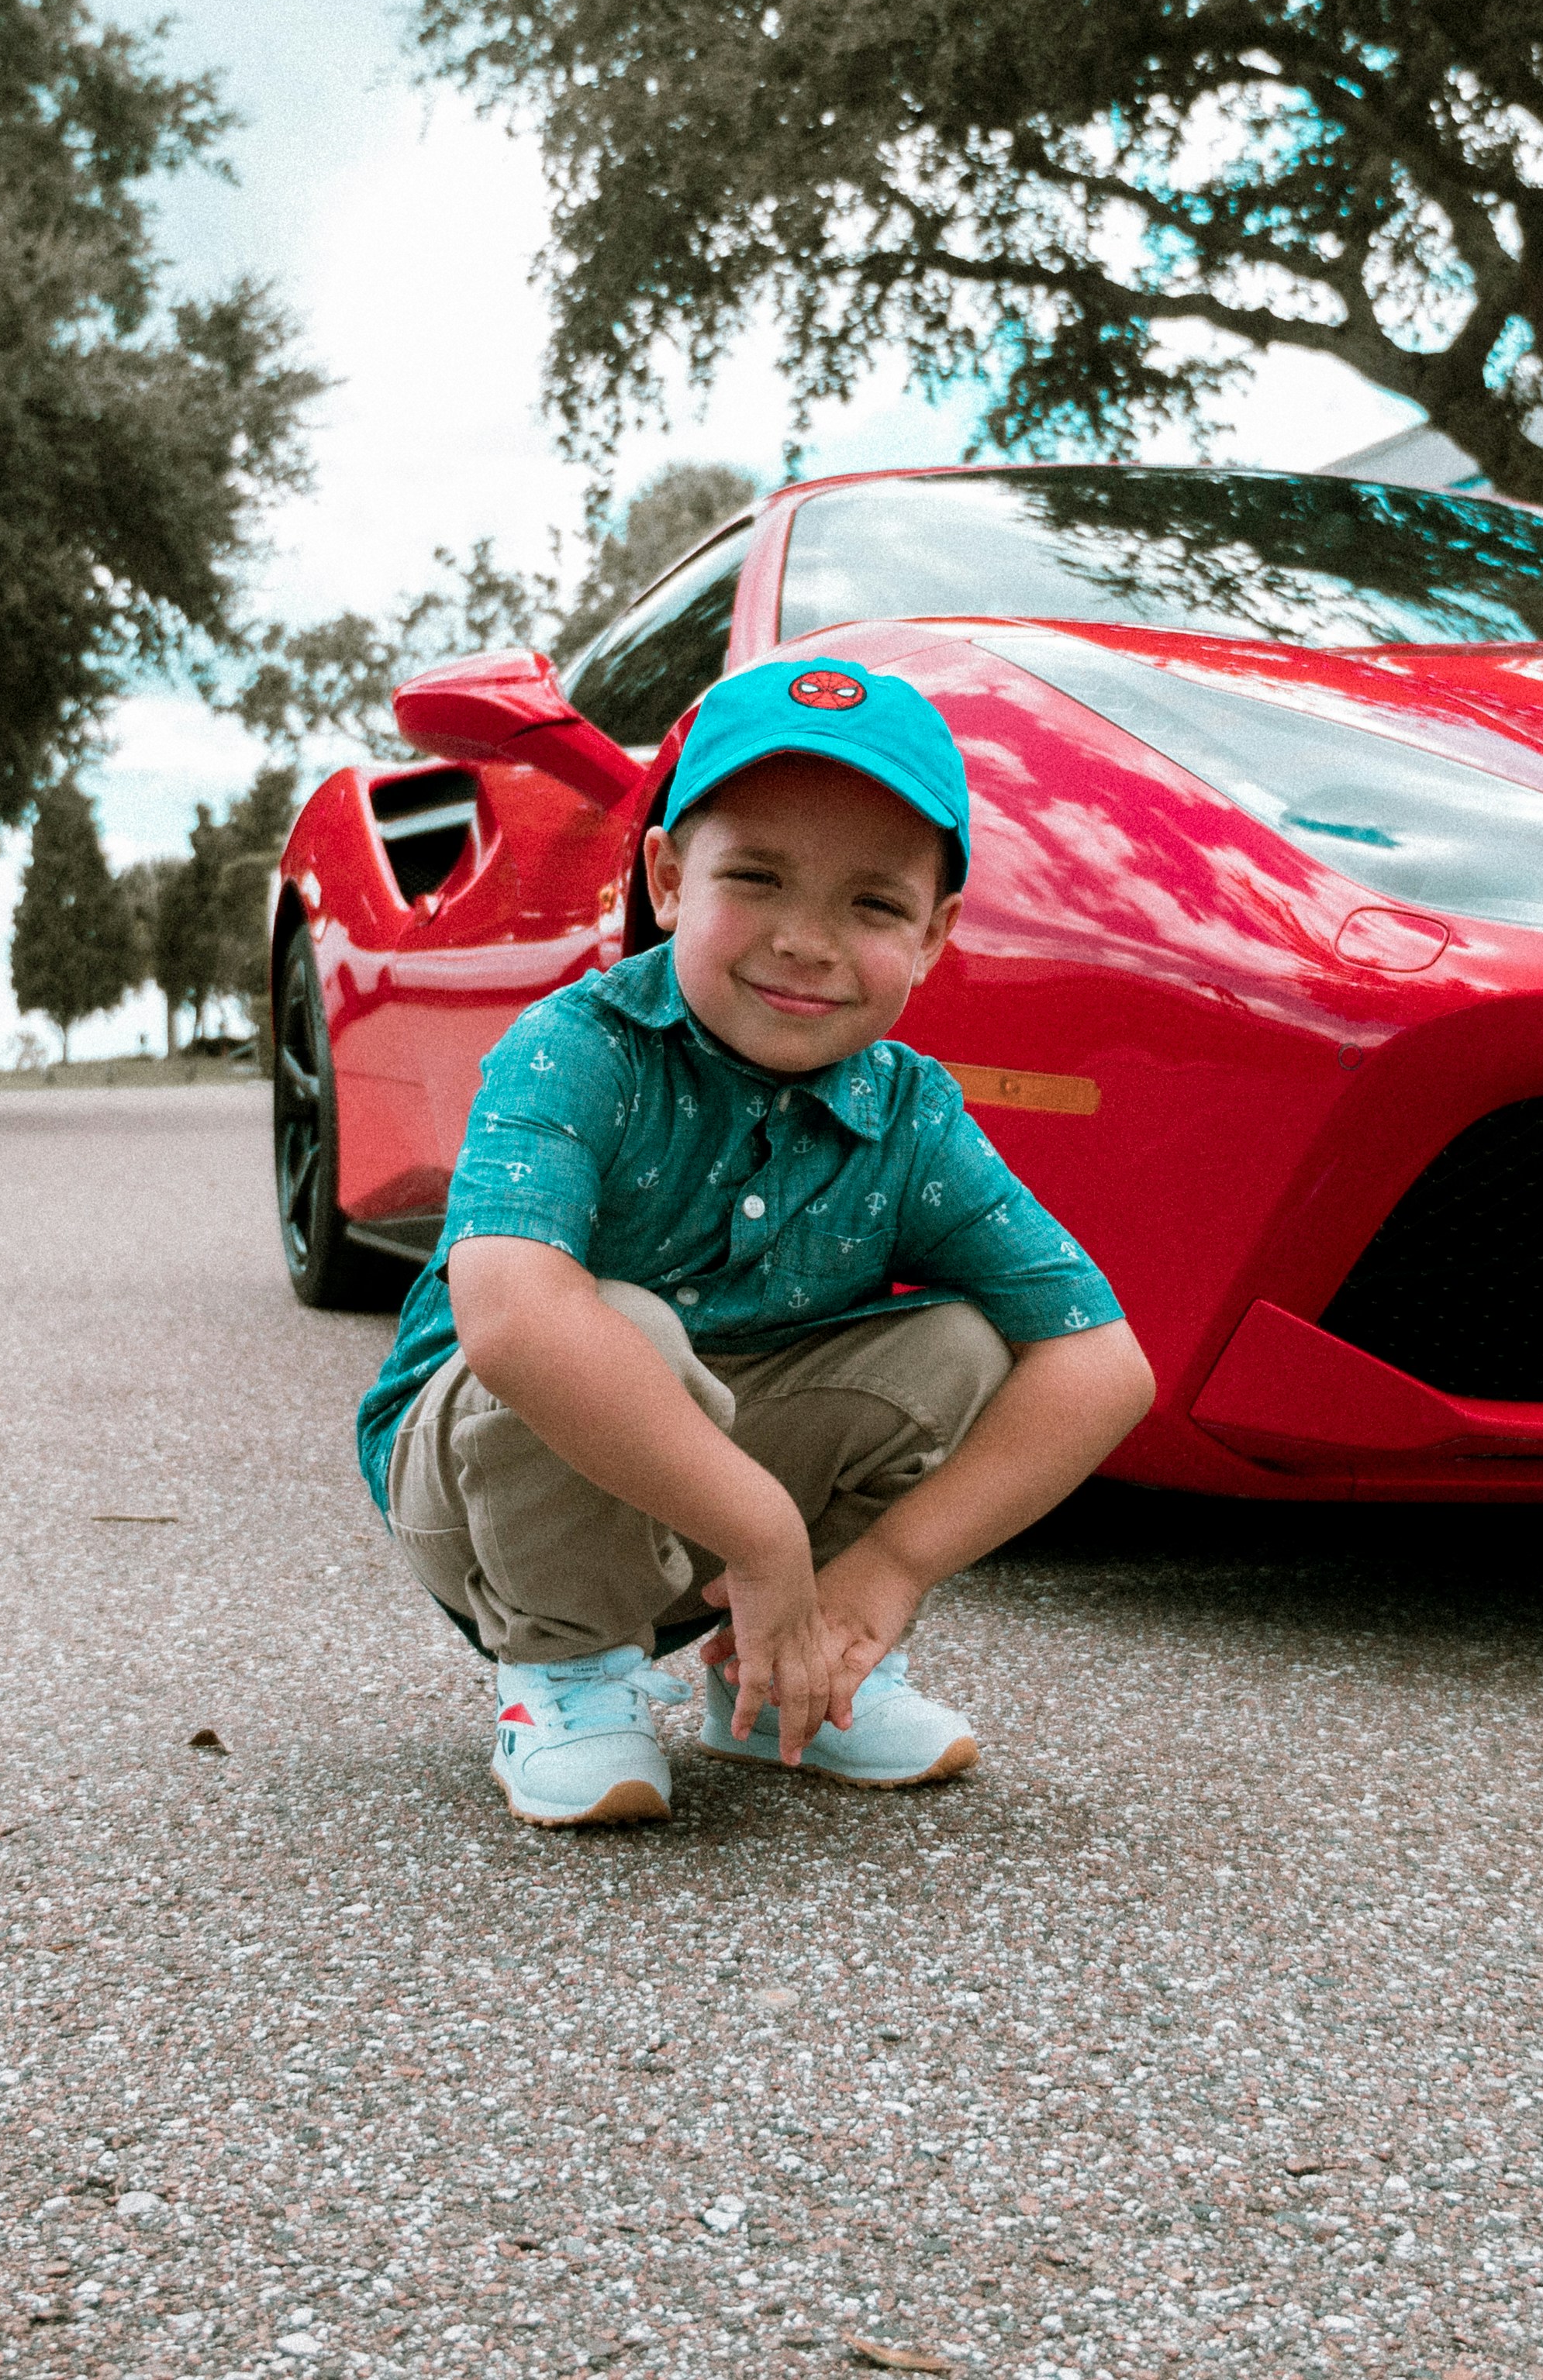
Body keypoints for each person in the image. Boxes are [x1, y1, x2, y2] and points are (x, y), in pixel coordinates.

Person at [353, 655, 1155, 1827]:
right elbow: (513, 1319)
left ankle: (794, 1670)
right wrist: (764, 1533)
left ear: (933, 936)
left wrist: (879, 1573)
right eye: (760, 878)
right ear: (671, 878)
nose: (806, 940)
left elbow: (1104, 1367)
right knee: (607, 1322)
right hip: (484, 1493)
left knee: (972, 1343)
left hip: (714, 1503)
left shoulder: (911, 1112)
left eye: (871, 905)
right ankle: (567, 1675)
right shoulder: (575, 1046)